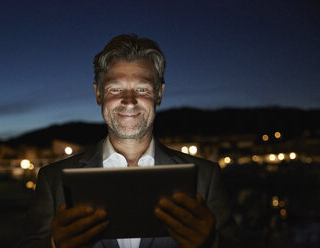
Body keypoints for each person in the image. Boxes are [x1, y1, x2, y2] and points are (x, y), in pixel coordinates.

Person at [18, 34, 241, 248]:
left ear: (160, 94)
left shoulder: (206, 176)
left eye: (142, 89)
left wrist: (211, 243)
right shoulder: (52, 179)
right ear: (98, 94)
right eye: (115, 89)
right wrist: (55, 245)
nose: (129, 101)